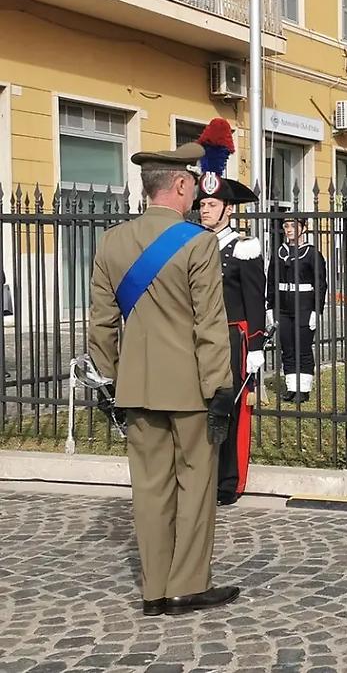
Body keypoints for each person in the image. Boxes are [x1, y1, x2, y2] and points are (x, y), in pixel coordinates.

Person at [87, 142, 238, 616]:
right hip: (192, 388)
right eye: (192, 182)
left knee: (149, 488)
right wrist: (220, 389)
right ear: (177, 185)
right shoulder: (198, 242)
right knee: (196, 484)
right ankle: (185, 587)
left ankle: (154, 589)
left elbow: (101, 323)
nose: (196, 189)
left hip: (136, 387)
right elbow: (209, 324)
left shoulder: (112, 242)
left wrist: (109, 380)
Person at [195, 118, 267, 506]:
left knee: (233, 410)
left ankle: (229, 482)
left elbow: (257, 299)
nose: (205, 210)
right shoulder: (195, 245)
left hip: (232, 338)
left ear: (227, 210)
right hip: (199, 338)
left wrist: (255, 346)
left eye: (211, 204)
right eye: (202, 204)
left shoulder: (243, 247)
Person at [266, 216, 327, 403]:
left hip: (304, 306)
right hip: (283, 307)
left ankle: (304, 389)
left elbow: (320, 284)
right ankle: (292, 387)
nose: (289, 229)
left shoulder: (311, 253)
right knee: (288, 348)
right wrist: (270, 306)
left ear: (303, 228)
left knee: (303, 348)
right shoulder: (280, 252)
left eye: (293, 225)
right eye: (286, 226)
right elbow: (272, 280)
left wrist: (316, 311)